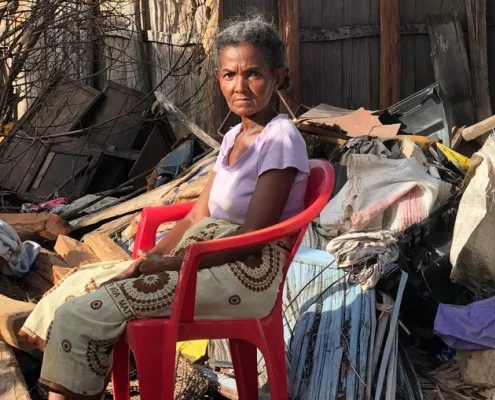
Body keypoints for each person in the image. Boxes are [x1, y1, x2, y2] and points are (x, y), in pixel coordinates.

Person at [19, 16, 309, 399]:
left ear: (279, 76)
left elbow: (251, 239)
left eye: (252, 74)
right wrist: (151, 256)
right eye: (228, 74)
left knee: (84, 312)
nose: (239, 86)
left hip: (242, 273)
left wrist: (173, 264)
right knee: (78, 289)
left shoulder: (281, 139)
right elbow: (195, 216)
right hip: (207, 259)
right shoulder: (235, 135)